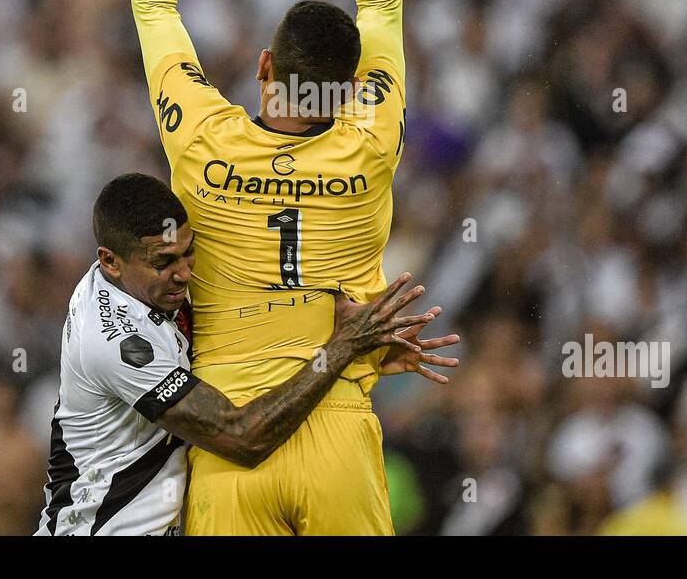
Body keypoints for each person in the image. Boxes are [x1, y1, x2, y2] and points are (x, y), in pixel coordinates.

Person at [132, 0, 422, 534]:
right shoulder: (369, 138)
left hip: (232, 438)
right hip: (335, 430)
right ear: (351, 88)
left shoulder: (201, 141)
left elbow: (154, 4)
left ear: (264, 66)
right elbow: (383, 3)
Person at [35, 173, 456, 536]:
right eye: (164, 262)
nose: (184, 273)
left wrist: (369, 353)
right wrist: (344, 347)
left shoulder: (145, 287)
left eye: (188, 252)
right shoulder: (114, 342)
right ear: (110, 261)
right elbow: (240, 437)